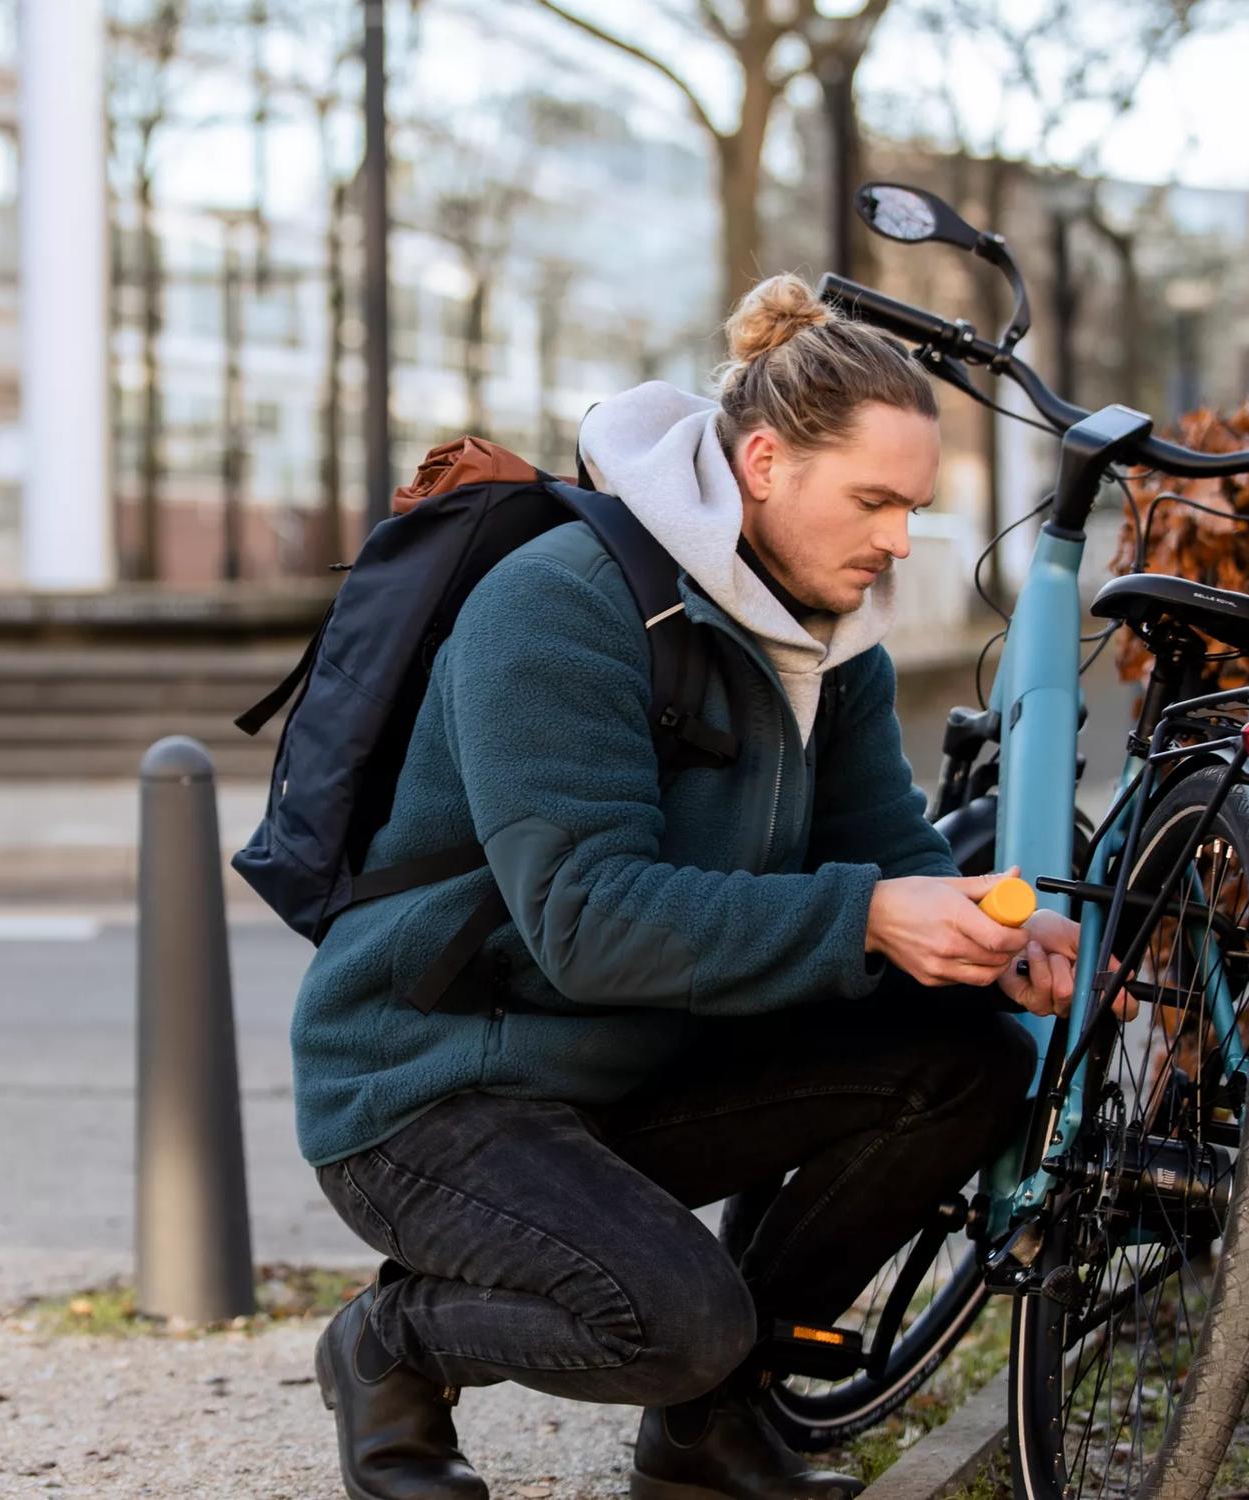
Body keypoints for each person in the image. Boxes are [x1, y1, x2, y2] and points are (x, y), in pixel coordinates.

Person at [295, 273, 1096, 1500]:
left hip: (632, 1064)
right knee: (676, 1322)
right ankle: (389, 1344)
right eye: (874, 502)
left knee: (964, 1057)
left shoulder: (833, 645)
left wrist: (991, 934)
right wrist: (870, 918)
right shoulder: (561, 604)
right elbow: (587, 922)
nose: (898, 542)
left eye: (915, 508)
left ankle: (705, 1436)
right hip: (437, 1087)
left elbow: (891, 846)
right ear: (765, 463)